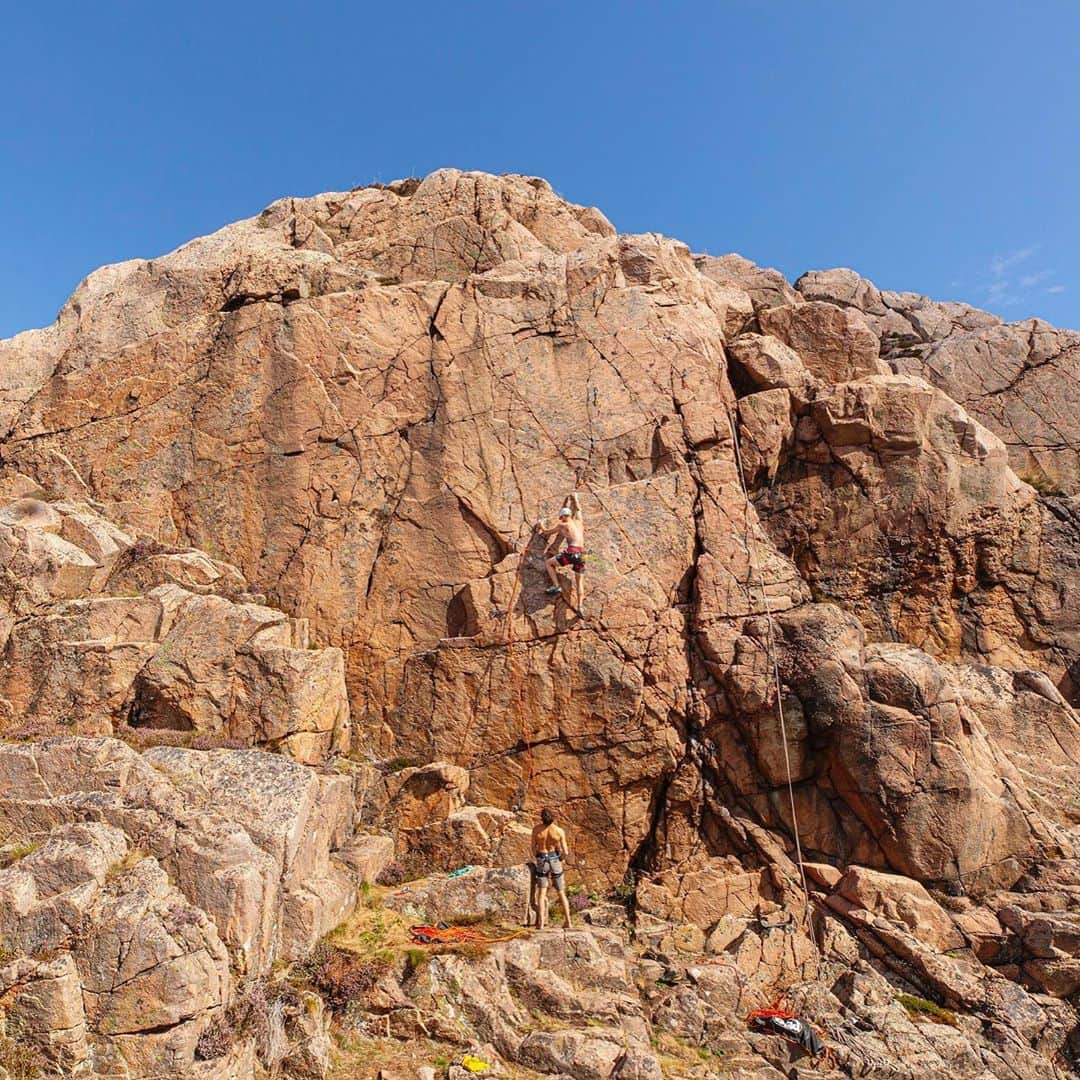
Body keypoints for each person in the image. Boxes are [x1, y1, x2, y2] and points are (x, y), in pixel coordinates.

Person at [540, 493, 586, 616]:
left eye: (561, 518)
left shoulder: (562, 525)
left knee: (549, 563)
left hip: (572, 552)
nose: (560, 520)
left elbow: (546, 532)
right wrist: (575, 498)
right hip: (582, 554)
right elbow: (579, 509)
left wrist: (541, 525)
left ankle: (556, 585)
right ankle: (580, 607)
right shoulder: (579, 522)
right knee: (579, 582)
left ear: (563, 517)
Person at [529, 807, 573, 930]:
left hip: (542, 859)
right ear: (553, 817)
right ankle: (568, 922)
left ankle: (541, 923)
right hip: (554, 859)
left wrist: (537, 857)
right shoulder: (559, 831)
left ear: (542, 818)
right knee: (561, 892)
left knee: (542, 893)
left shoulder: (537, 830)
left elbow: (533, 847)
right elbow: (566, 851)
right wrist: (561, 859)